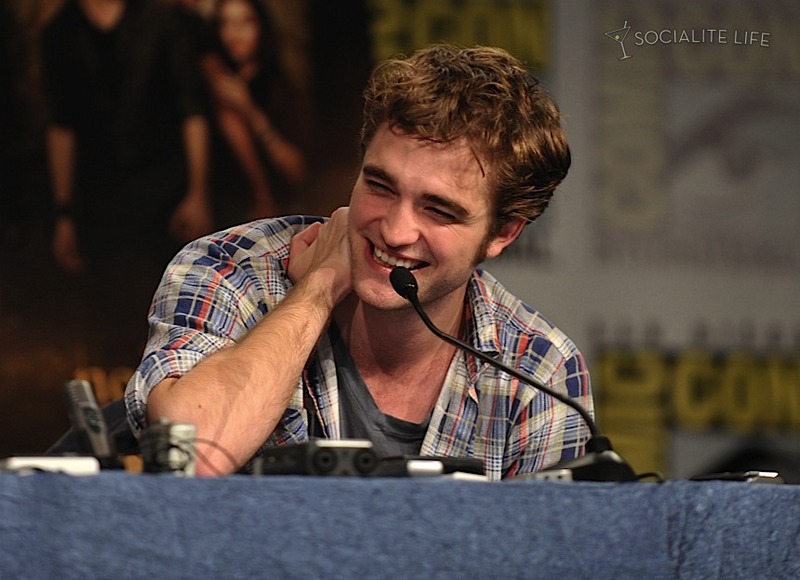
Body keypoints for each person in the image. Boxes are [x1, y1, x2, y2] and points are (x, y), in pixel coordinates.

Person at [125, 44, 591, 480]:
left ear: (503, 233)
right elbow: (192, 456)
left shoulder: (539, 370)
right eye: (380, 186)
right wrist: (319, 288)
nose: (394, 231)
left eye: (438, 210)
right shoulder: (231, 269)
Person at [41, 0, 214, 366]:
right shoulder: (60, 32)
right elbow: (61, 124)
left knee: (174, 316)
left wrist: (198, 192)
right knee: (113, 320)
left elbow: (192, 108)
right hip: (101, 201)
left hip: (165, 192)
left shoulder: (161, 19)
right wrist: (64, 213)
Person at [203, 0, 306, 226]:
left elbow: (298, 172)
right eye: (226, 23)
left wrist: (250, 110)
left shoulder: (279, 86)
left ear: (262, 27)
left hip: (281, 209)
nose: (235, 32)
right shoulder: (216, 79)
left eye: (245, 22)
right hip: (226, 208)